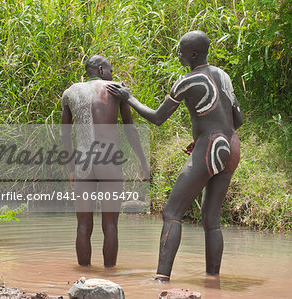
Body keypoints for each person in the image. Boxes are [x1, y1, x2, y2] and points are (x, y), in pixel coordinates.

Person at [107, 30, 243, 281]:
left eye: (180, 49)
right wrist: (207, 139)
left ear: (192, 54)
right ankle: (213, 281)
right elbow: (239, 119)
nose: (177, 53)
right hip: (231, 147)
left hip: (212, 144)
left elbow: (158, 118)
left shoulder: (188, 80)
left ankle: (161, 280)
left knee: (171, 212)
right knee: (211, 219)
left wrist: (129, 97)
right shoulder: (223, 76)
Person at [61, 55, 148, 267]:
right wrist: (143, 162)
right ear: (101, 70)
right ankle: (110, 277)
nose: (112, 74)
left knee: (83, 225)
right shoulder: (117, 88)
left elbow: (64, 135)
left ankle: (83, 276)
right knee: (110, 225)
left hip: (82, 161)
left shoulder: (71, 92)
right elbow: (130, 129)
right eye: (110, 69)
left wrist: (71, 169)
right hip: (109, 160)